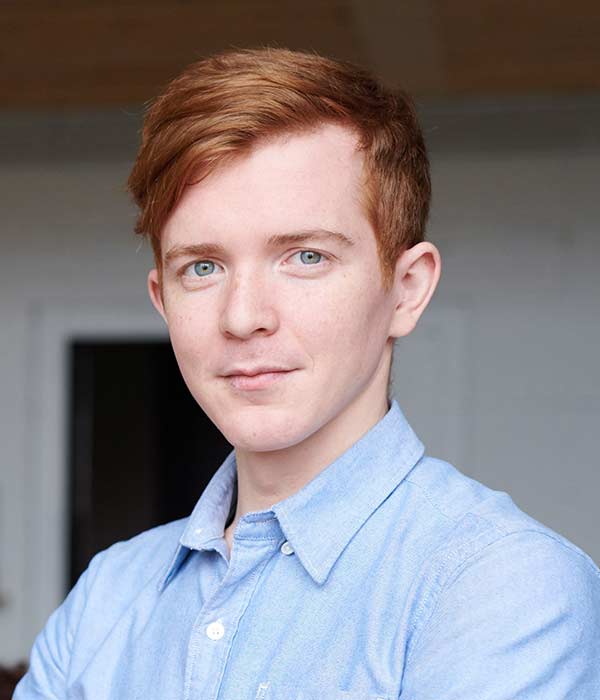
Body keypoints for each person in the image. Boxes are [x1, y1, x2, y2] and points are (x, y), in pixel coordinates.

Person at [15, 47, 600, 700]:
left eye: (306, 256)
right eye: (202, 268)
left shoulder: (499, 585)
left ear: (407, 290)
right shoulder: (106, 597)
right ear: (163, 300)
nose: (243, 317)